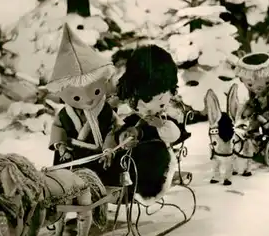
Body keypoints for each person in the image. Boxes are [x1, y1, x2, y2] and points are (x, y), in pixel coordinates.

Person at [110, 45, 191, 203]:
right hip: (130, 151)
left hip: (154, 151)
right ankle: (118, 188)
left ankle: (146, 190)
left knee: (151, 158)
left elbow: (174, 135)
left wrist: (160, 125)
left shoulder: (166, 116)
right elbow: (120, 127)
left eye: (160, 102)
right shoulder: (131, 113)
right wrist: (124, 136)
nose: (148, 109)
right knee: (119, 157)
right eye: (143, 102)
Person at [46, 22, 123, 185]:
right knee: (65, 182)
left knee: (103, 181)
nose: (88, 100)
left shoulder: (105, 110)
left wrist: (109, 148)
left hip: (100, 158)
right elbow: (58, 129)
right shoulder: (65, 115)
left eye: (95, 92)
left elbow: (113, 128)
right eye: (76, 98)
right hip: (72, 158)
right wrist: (61, 146)